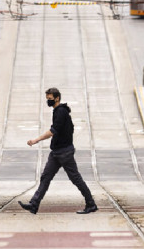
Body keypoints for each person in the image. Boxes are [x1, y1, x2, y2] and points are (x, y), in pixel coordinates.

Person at [19, 87, 97, 215]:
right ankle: (34, 204)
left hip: (64, 152)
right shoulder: (58, 111)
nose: (48, 101)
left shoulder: (61, 112)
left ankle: (91, 204)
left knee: (76, 179)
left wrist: (36, 140)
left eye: (50, 99)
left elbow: (53, 131)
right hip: (56, 152)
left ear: (57, 98)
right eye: (47, 99)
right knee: (46, 177)